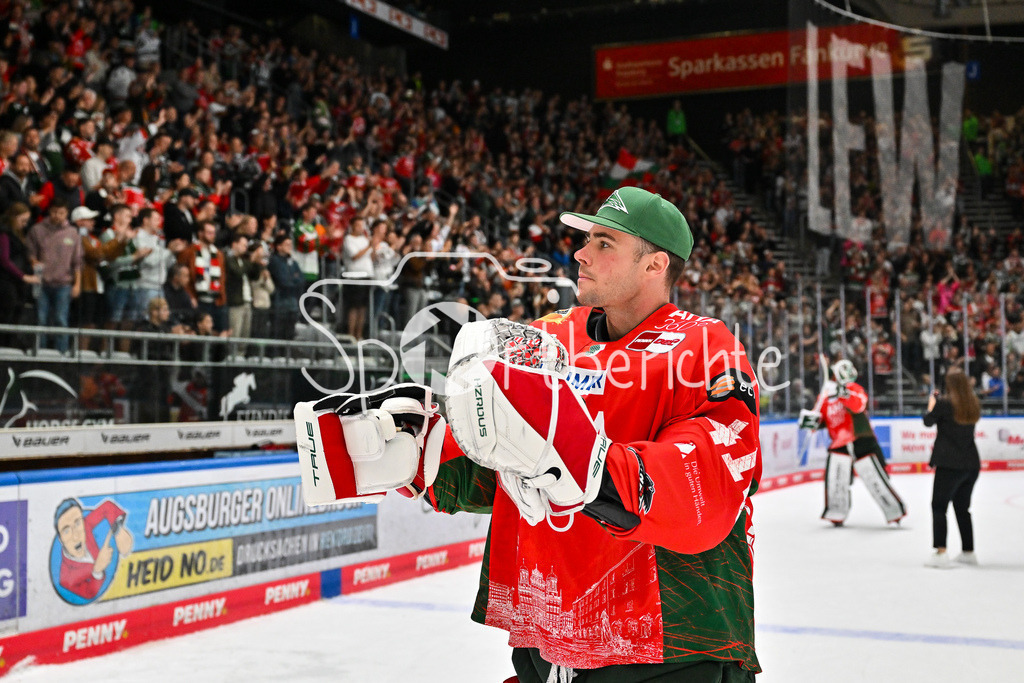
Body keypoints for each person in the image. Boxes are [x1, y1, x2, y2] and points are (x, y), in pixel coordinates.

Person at [299, 187, 762, 681]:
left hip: (670, 647)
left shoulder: (704, 346)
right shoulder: (550, 336)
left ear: (655, 266)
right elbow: (505, 458)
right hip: (548, 639)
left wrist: (590, 467)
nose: (580, 252)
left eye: (605, 243)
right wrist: (426, 455)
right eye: (586, 239)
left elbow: (710, 476)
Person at [802, 359, 907, 526]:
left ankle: (894, 510)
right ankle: (836, 513)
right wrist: (811, 421)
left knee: (875, 479)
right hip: (839, 443)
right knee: (836, 480)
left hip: (861, 439)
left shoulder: (853, 389)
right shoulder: (825, 397)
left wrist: (844, 394)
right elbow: (822, 419)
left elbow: (858, 405)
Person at [924, 369, 981, 568]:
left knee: (939, 506)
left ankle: (941, 552)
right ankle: (968, 551)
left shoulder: (944, 404)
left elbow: (928, 421)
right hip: (971, 464)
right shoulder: (972, 404)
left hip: (949, 464)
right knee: (962, 508)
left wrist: (932, 405)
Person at [27, 198, 82, 352]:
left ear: (67, 214)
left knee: (61, 320)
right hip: (41, 282)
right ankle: (40, 352)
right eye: (55, 212)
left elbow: (77, 262)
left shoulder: (72, 233)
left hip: (63, 283)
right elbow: (30, 254)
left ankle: (61, 354)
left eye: (62, 213)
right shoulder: (37, 230)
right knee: (41, 319)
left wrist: (77, 284)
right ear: (49, 211)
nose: (58, 215)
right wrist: (33, 262)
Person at [0, 202, 39, 345]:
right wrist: (24, 276)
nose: (24, 224)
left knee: (15, 316)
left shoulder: (17, 234)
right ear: (13, 217)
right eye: (22, 220)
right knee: (6, 316)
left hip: (16, 285)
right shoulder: (4, 233)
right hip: (6, 283)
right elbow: (4, 260)